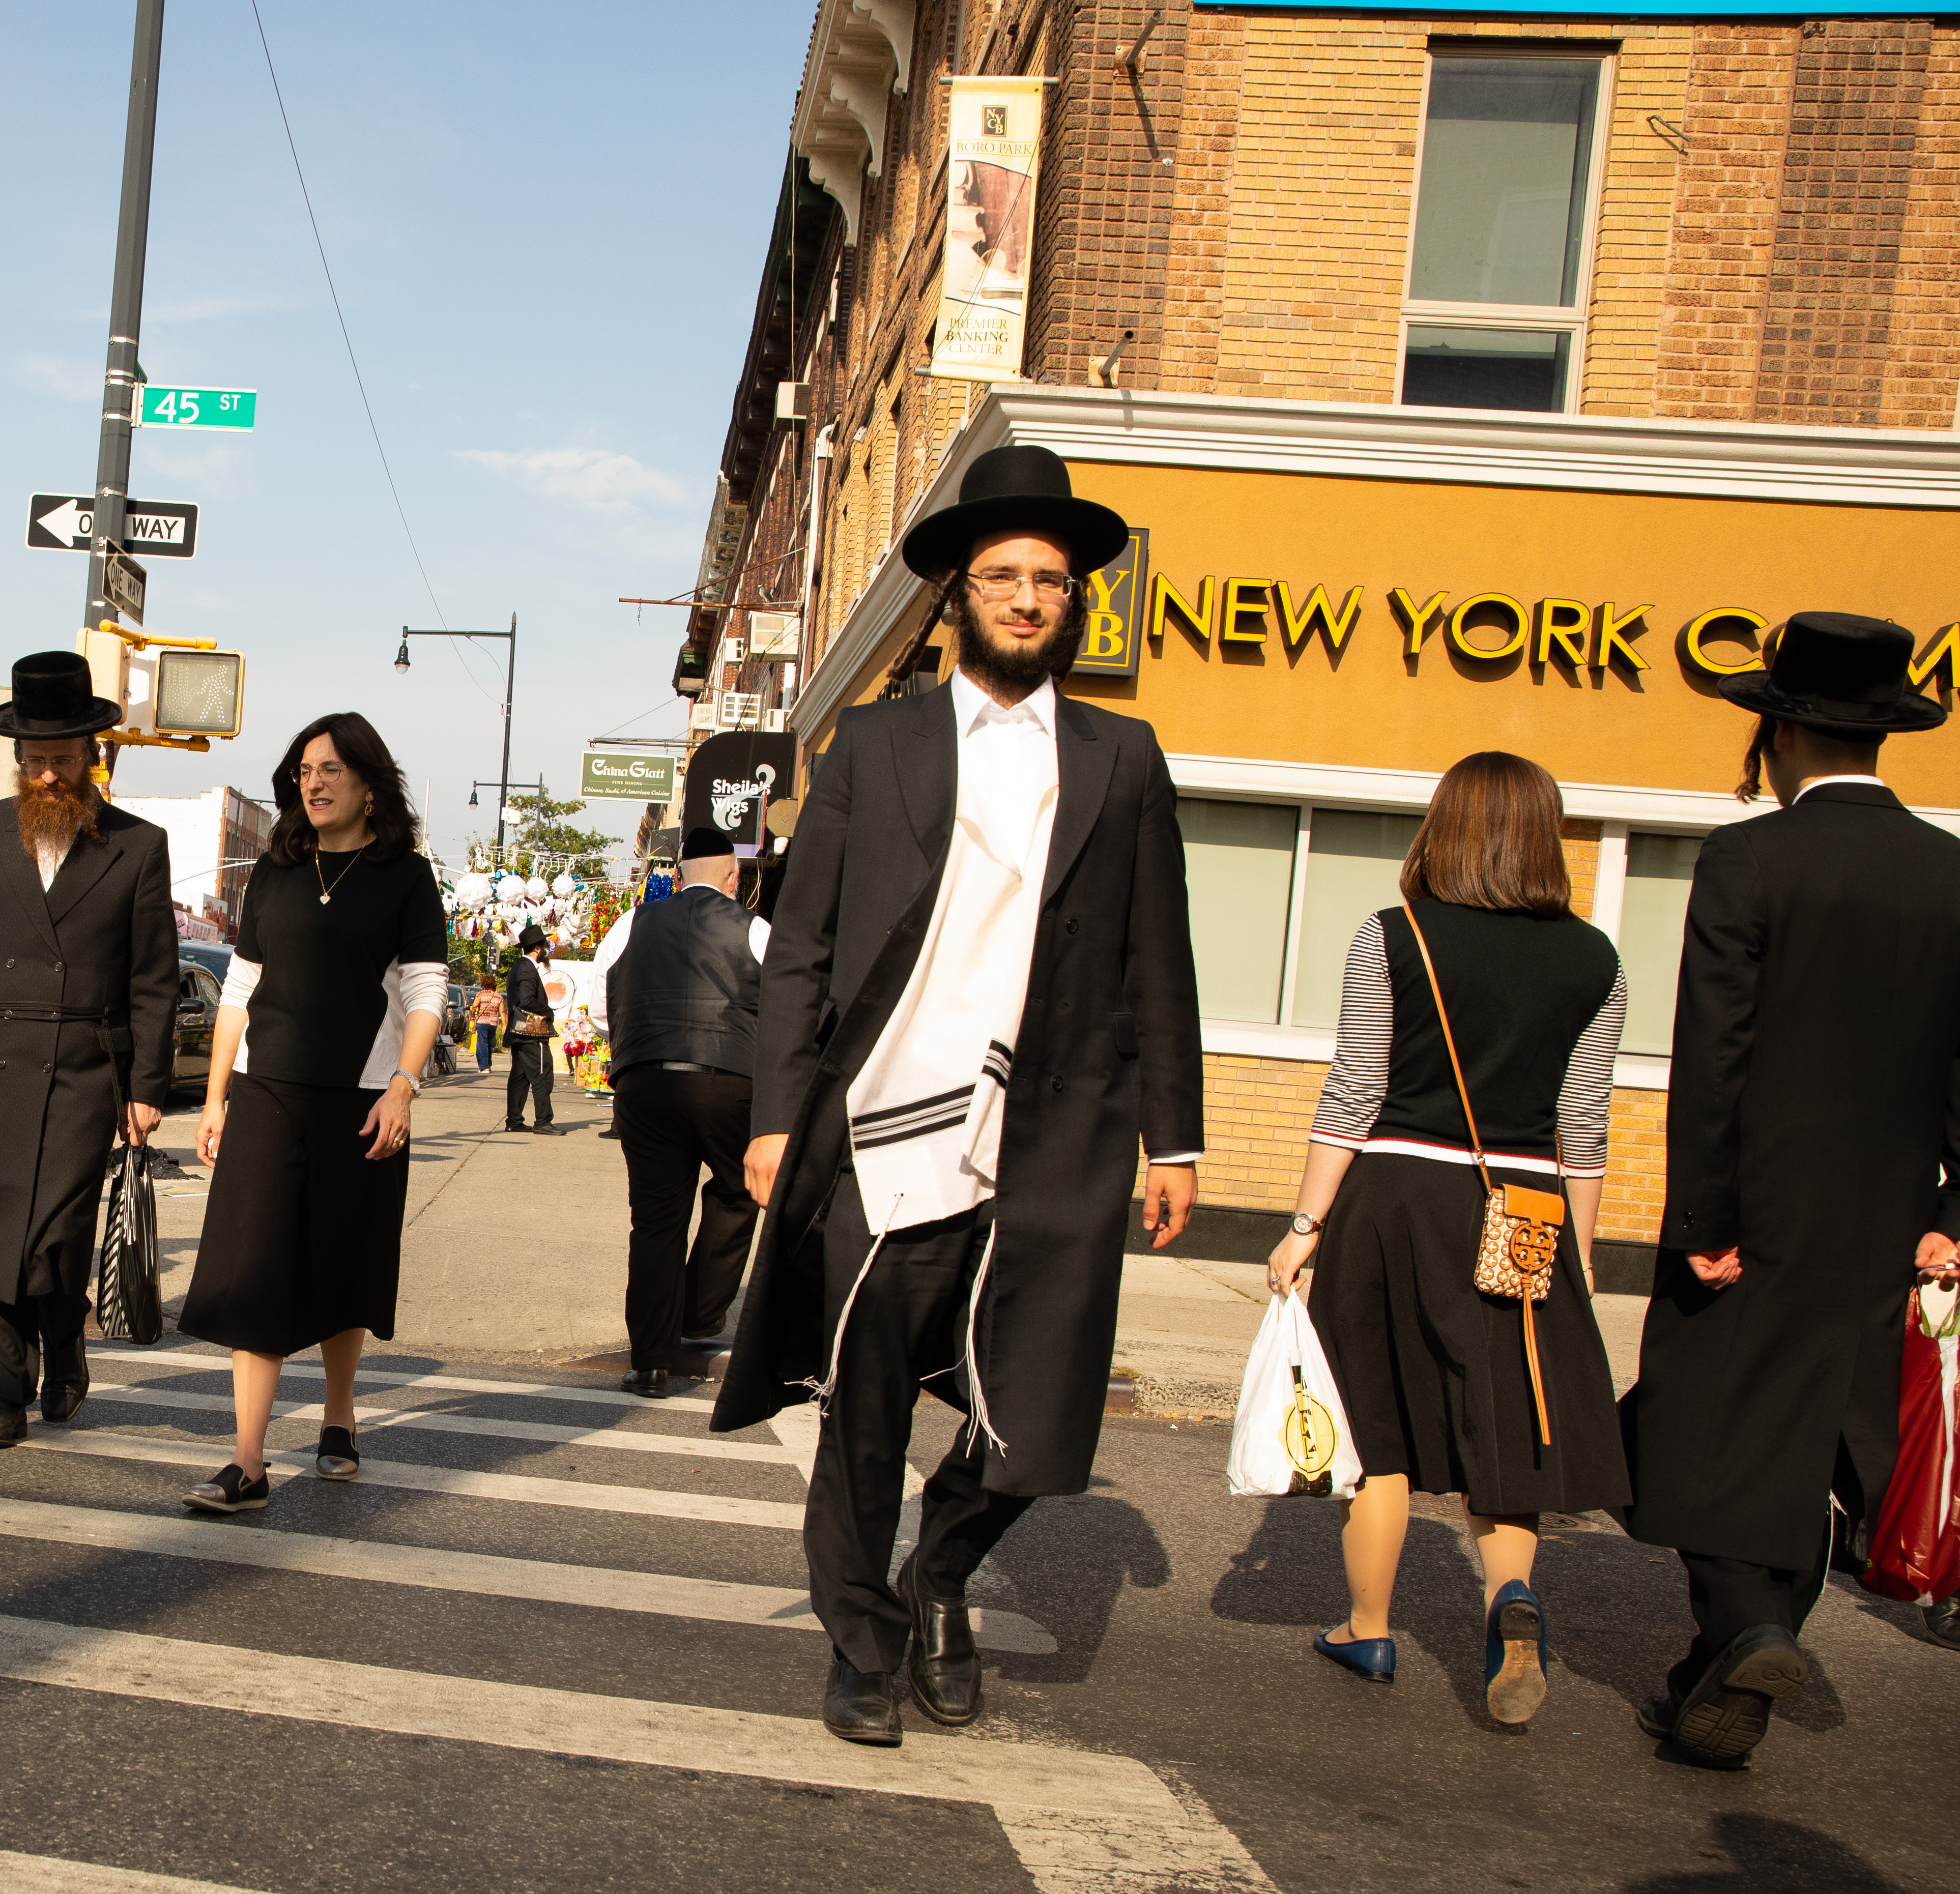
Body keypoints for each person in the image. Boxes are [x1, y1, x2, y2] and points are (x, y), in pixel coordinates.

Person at [712, 443, 1205, 1747]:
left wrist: (1180, 1139)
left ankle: (942, 1575)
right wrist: (776, 1114)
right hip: (887, 1130)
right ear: (960, 595)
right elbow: (803, 945)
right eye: (1006, 576)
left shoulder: (1123, 756)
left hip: (1057, 1136)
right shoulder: (874, 744)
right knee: (865, 1408)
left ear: (1076, 600)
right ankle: (865, 1641)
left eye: (1053, 579)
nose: (1032, 597)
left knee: (1040, 1409)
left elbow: (1162, 955)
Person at [1617, 613, 1960, 1770]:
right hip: (1885, 1219)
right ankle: (1721, 1665)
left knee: (1693, 1429)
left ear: (1782, 729)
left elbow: (1716, 1052)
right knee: (1813, 1445)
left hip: (1754, 1208)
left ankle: (1747, 1627)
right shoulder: (1950, 872)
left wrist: (1707, 1217)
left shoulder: (1748, 859)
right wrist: (1949, 1222)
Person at [1265, 753, 1632, 1725]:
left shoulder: (1395, 937)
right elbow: (1585, 1122)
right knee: (1507, 1416)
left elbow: (1355, 1089)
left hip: (1394, 1196)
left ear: (1444, 827)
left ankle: (1368, 1627)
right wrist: (1581, 1253)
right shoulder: (1596, 958)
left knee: (1374, 1417)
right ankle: (1510, 1597)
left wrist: (1305, 1223)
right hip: (1527, 1203)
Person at [176, 714, 449, 1512]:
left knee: (341, 1265)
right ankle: (249, 1463)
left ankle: (338, 1414)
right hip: (266, 1095)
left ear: (370, 781)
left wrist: (404, 1085)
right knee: (256, 1269)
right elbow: (238, 991)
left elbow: (426, 991)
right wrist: (217, 1098)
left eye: (331, 769)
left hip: (363, 1100)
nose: (316, 782)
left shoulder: (404, 876)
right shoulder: (275, 872)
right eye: (303, 771)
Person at [0, 651, 180, 1448]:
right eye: (36, 762)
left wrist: (147, 1086)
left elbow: (155, 979)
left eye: (63, 761)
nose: (50, 777)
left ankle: (64, 1347)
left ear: (93, 758)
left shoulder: (139, 845)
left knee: (54, 1236)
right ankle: (3, 1392)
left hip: (84, 1068)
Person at [588, 827, 771, 1398]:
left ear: (680, 873)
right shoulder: (758, 930)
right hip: (729, 1081)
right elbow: (786, 1008)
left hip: (645, 1083)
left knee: (656, 1221)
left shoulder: (630, 925)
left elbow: (598, 1010)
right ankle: (700, 1310)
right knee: (741, 1190)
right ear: (733, 877)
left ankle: (650, 1361)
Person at [501, 924, 557, 1130]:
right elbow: (526, 999)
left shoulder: (519, 966)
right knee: (543, 1074)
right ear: (538, 948)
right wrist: (548, 1011)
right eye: (545, 944)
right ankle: (543, 1121)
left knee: (520, 1078)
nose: (547, 948)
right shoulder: (527, 968)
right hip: (531, 1034)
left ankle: (514, 1121)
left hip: (520, 1032)